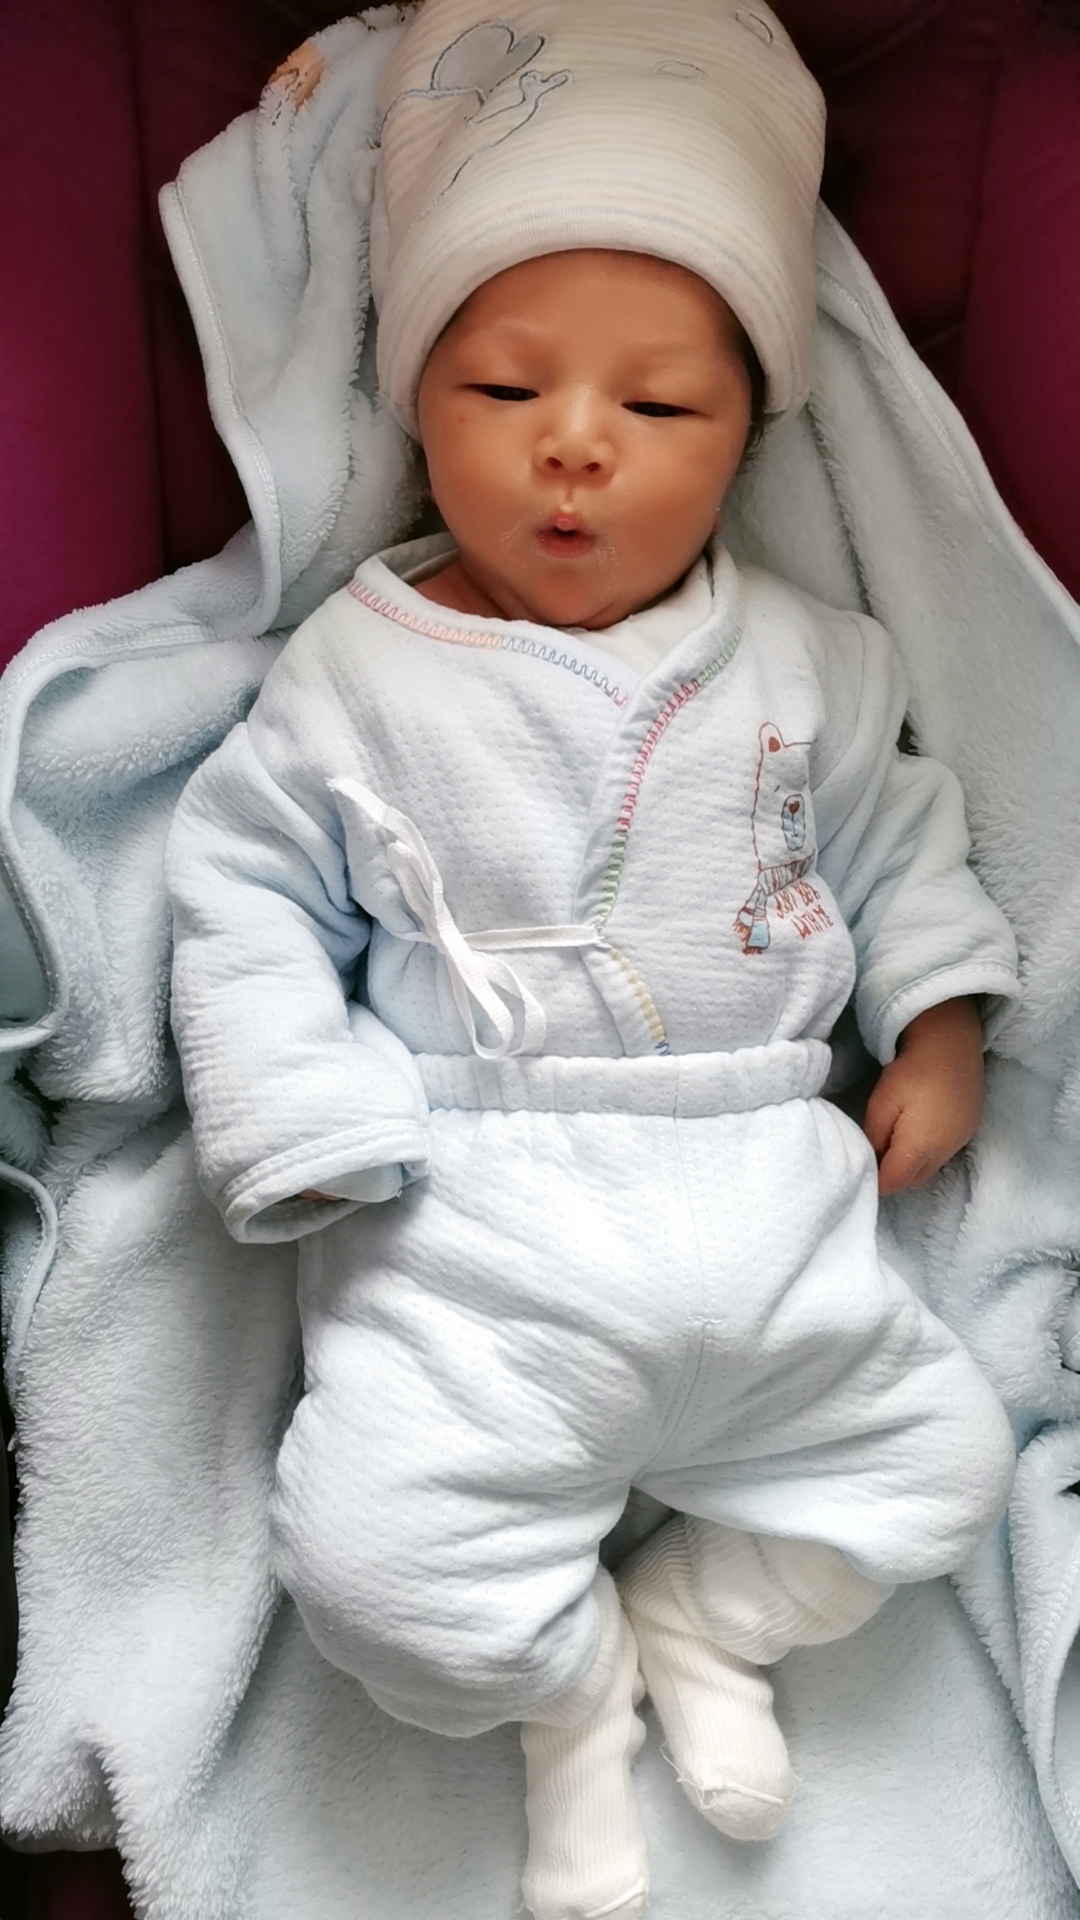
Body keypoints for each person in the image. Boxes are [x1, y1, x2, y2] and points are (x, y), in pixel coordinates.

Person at [164, 2, 1019, 1915]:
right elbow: (244, 888)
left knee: (945, 1469)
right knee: (376, 1570)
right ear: (417, 406)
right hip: (481, 1225)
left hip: (774, 1208)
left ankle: (705, 1619)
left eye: (658, 410)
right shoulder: (357, 674)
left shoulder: (811, 660)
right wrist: (299, 1111)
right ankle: (567, 1696)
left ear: (746, 437)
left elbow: (897, 839)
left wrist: (942, 1023)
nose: (574, 445)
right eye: (502, 389)